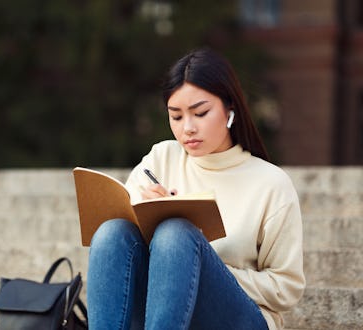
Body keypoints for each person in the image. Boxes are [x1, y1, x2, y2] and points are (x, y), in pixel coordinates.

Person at [86, 47, 305, 330]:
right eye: (176, 117)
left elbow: (286, 288)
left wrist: (197, 264)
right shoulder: (161, 159)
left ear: (230, 109)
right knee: (111, 231)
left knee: (176, 235)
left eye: (200, 113)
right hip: (156, 310)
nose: (187, 128)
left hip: (239, 318)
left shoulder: (271, 184)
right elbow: (126, 256)